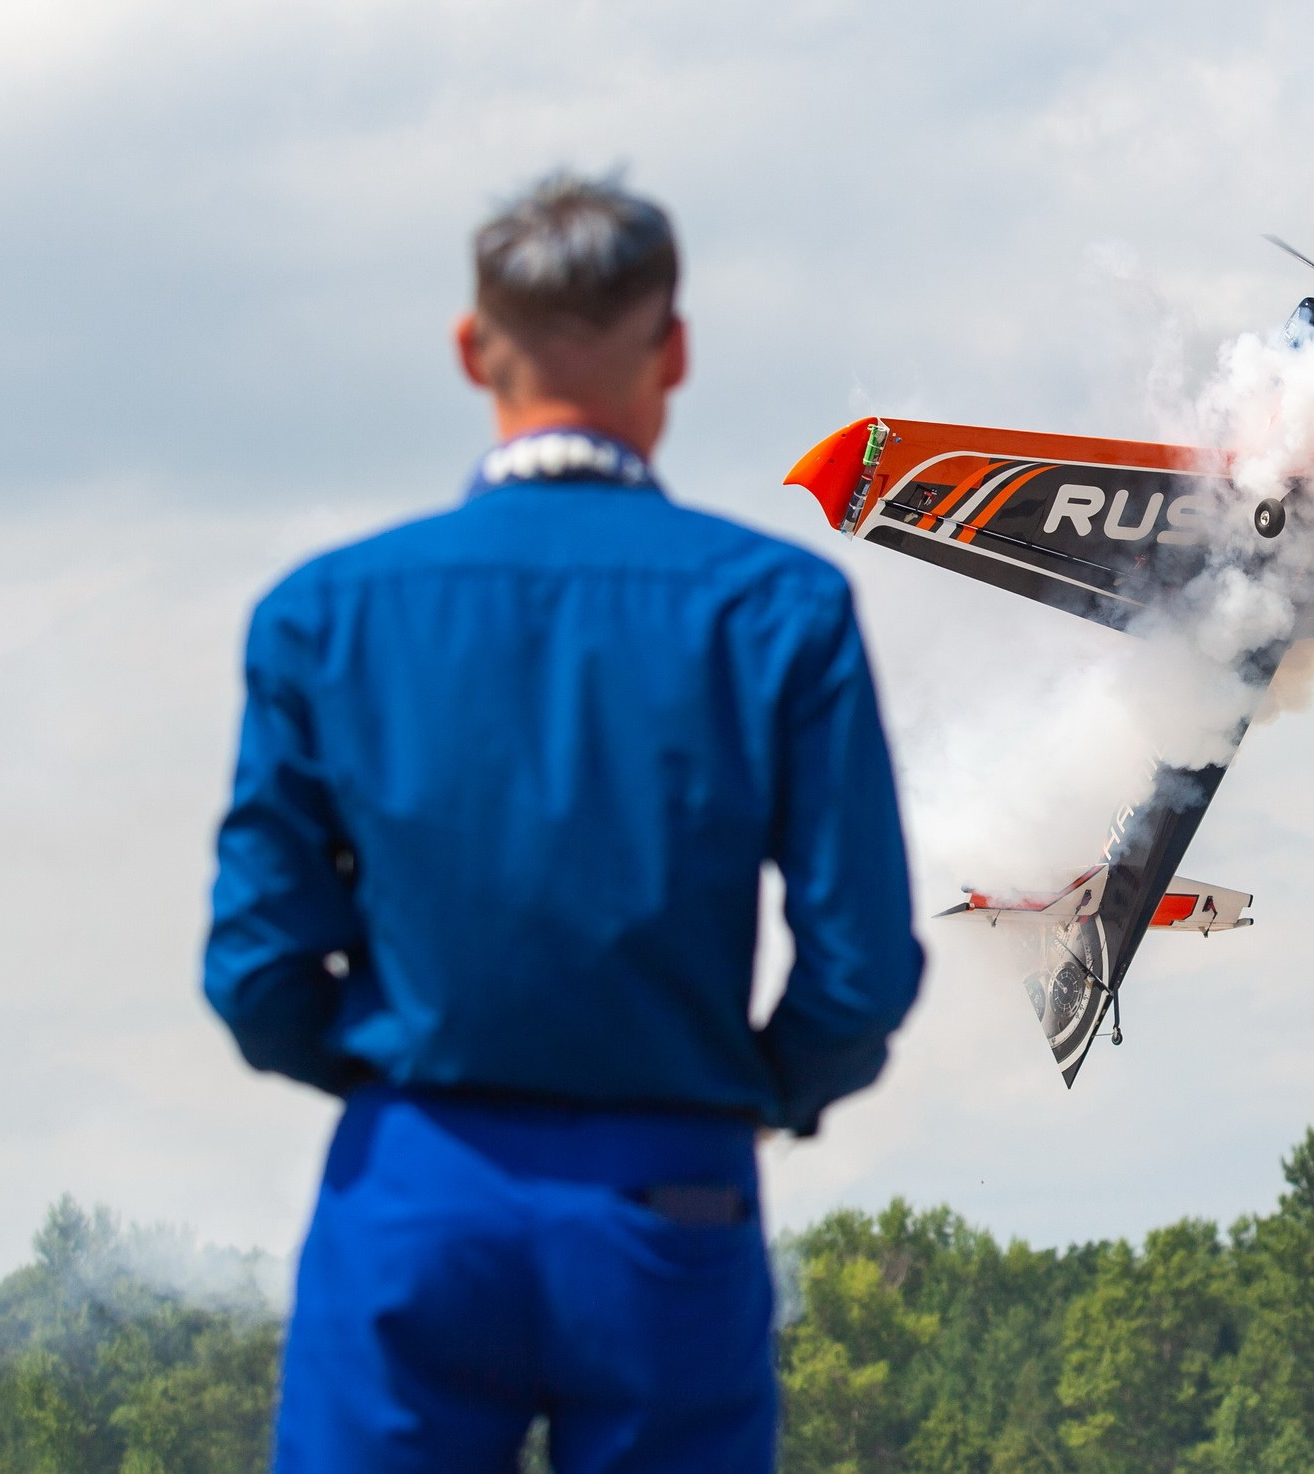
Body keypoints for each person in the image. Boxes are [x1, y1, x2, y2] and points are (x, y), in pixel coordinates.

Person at [203, 171, 924, 1473]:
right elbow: (860, 968)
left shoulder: (322, 613)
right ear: (678, 349)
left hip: (415, 1180)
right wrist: (755, 1094)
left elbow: (256, 966)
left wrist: (386, 1078)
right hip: (673, 1188)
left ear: (473, 348)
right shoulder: (783, 609)